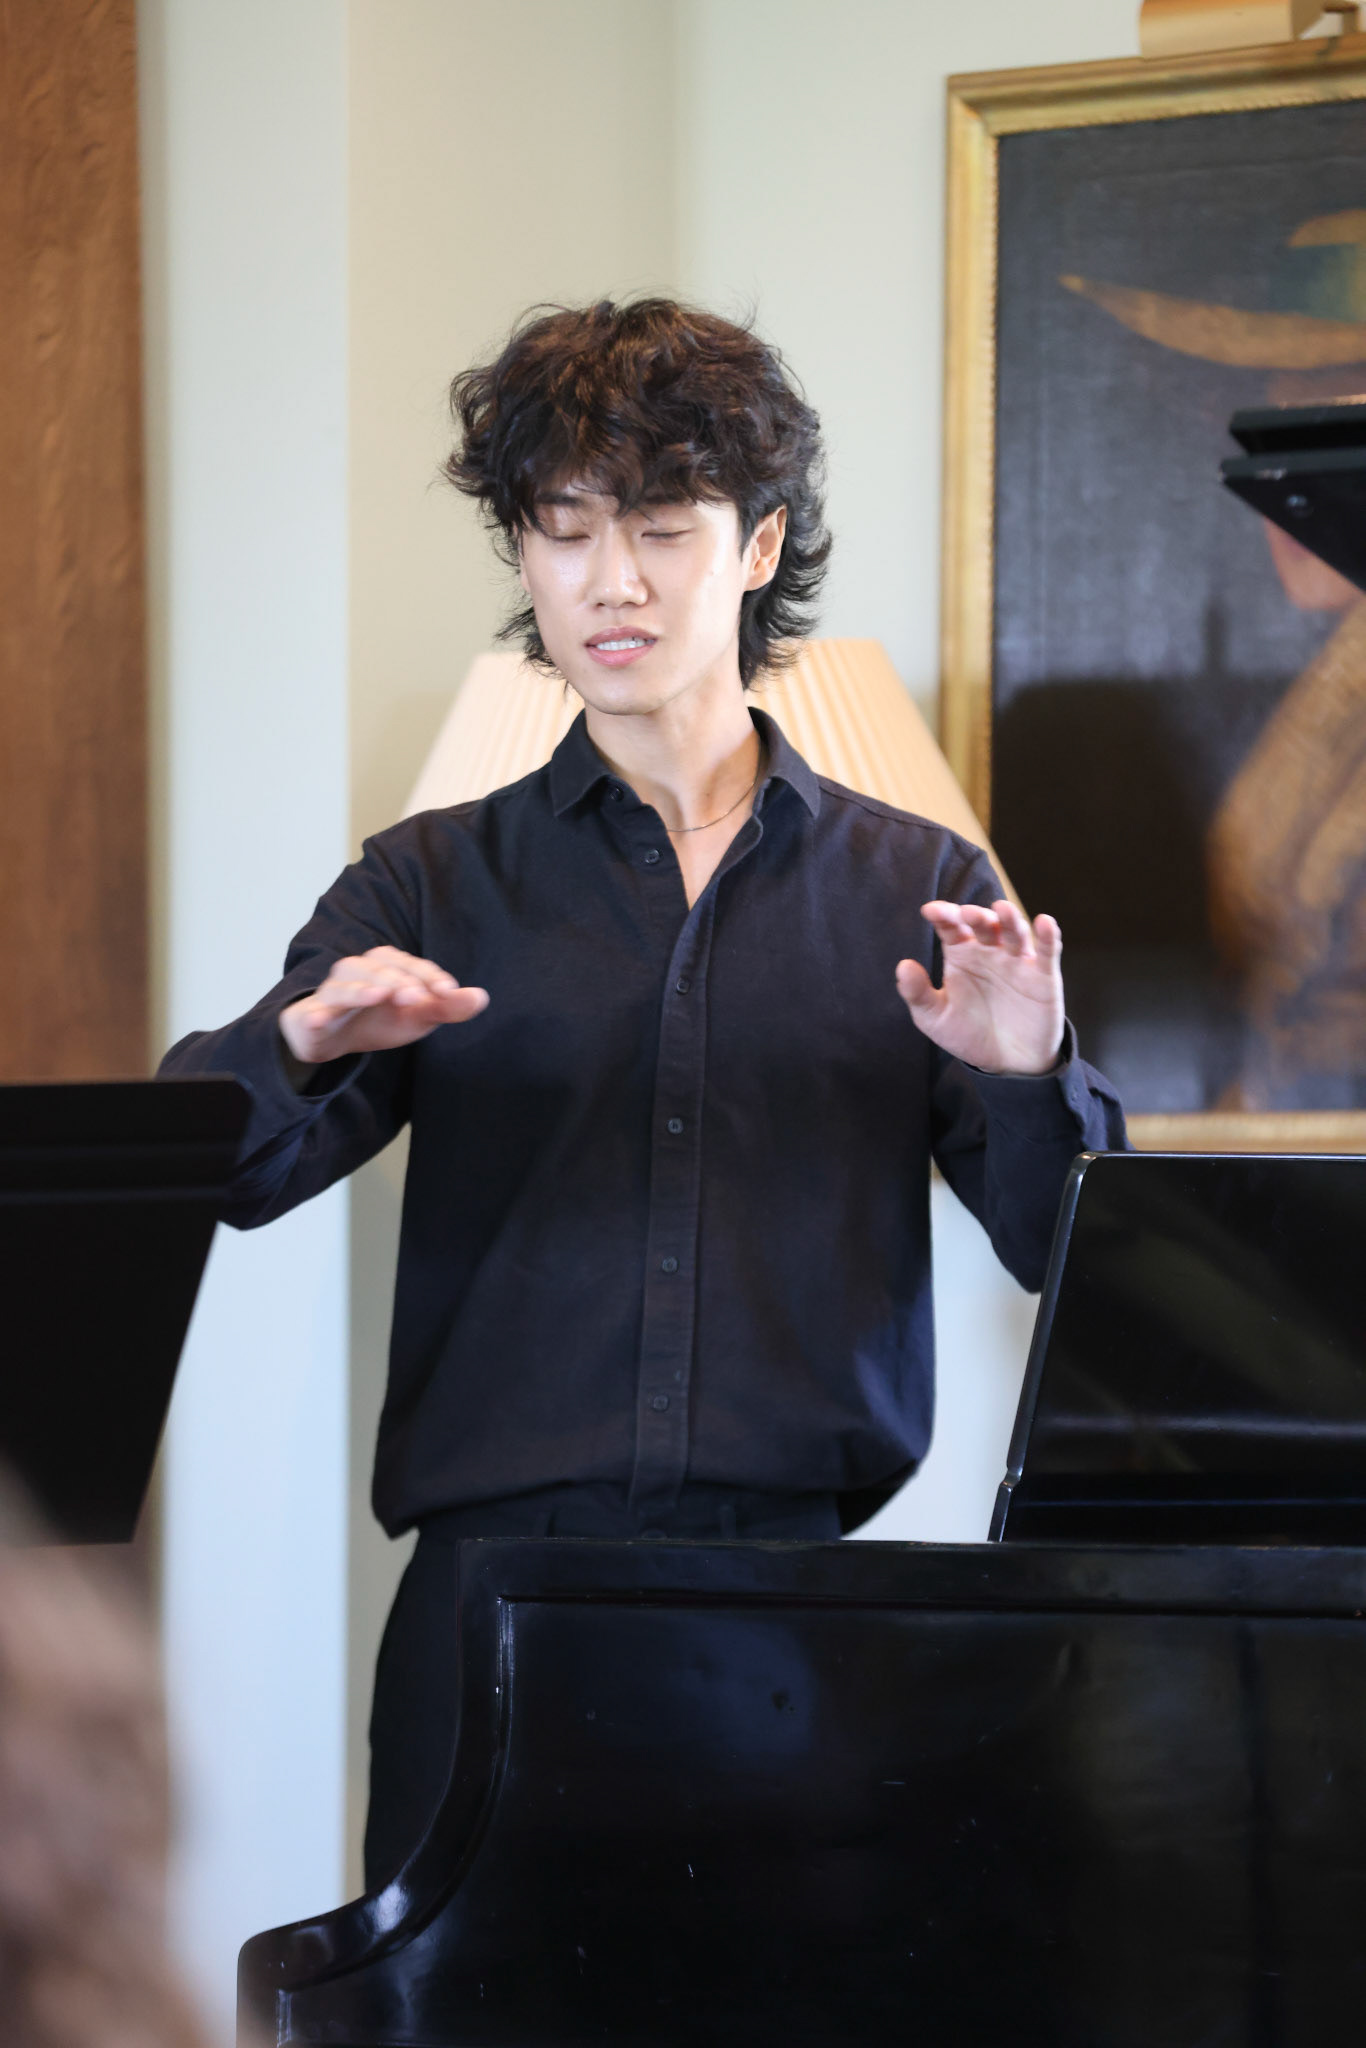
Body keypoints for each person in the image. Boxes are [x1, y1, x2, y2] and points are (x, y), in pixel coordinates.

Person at [160, 297, 1127, 1888]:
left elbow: (1071, 1260)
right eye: (564, 533)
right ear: (524, 558)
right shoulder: (428, 880)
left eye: (662, 530)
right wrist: (300, 1047)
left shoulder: (918, 885)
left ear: (757, 549)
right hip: (487, 1610)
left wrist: (1024, 1070)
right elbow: (211, 1174)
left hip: (800, 1621)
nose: (610, 582)